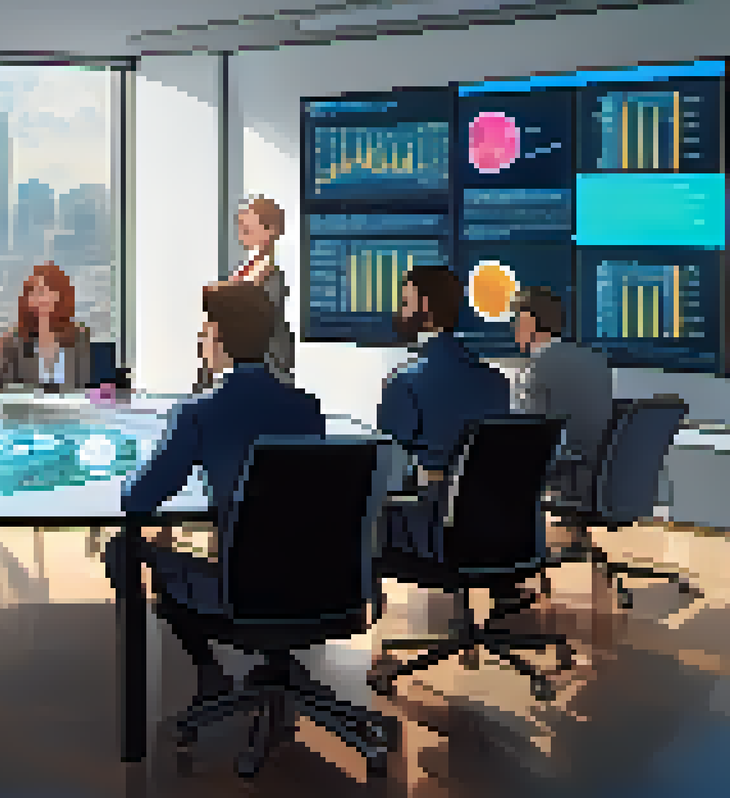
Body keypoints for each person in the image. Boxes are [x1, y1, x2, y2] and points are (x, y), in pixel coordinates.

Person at [104, 282, 327, 698]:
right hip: (314, 582)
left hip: (239, 589)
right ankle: (278, 659)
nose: (201, 341)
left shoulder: (199, 411)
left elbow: (138, 499)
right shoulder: (306, 407)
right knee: (272, 546)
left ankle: (208, 669)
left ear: (219, 338)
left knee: (122, 548)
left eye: (205, 331)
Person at [376, 266, 511, 570]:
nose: (400, 311)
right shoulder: (496, 381)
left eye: (406, 302)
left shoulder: (405, 382)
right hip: (490, 527)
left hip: (428, 529)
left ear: (424, 308)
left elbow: (387, 469)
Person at [510, 286, 614, 539]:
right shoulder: (596, 361)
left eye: (515, 320)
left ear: (529, 322)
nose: (512, 327)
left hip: (564, 473)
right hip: (602, 473)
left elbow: (519, 431)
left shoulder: (536, 369)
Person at [197, 197, 295, 390]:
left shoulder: (270, 273)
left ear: (271, 230)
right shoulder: (246, 270)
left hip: (264, 364)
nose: (241, 233)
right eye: (241, 226)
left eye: (248, 228)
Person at [0, 261, 95, 391]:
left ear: (59, 295)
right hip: (27, 410)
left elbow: (89, 386)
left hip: (72, 410)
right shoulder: (15, 340)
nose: (36, 299)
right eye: (31, 293)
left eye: (41, 292)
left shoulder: (79, 337)